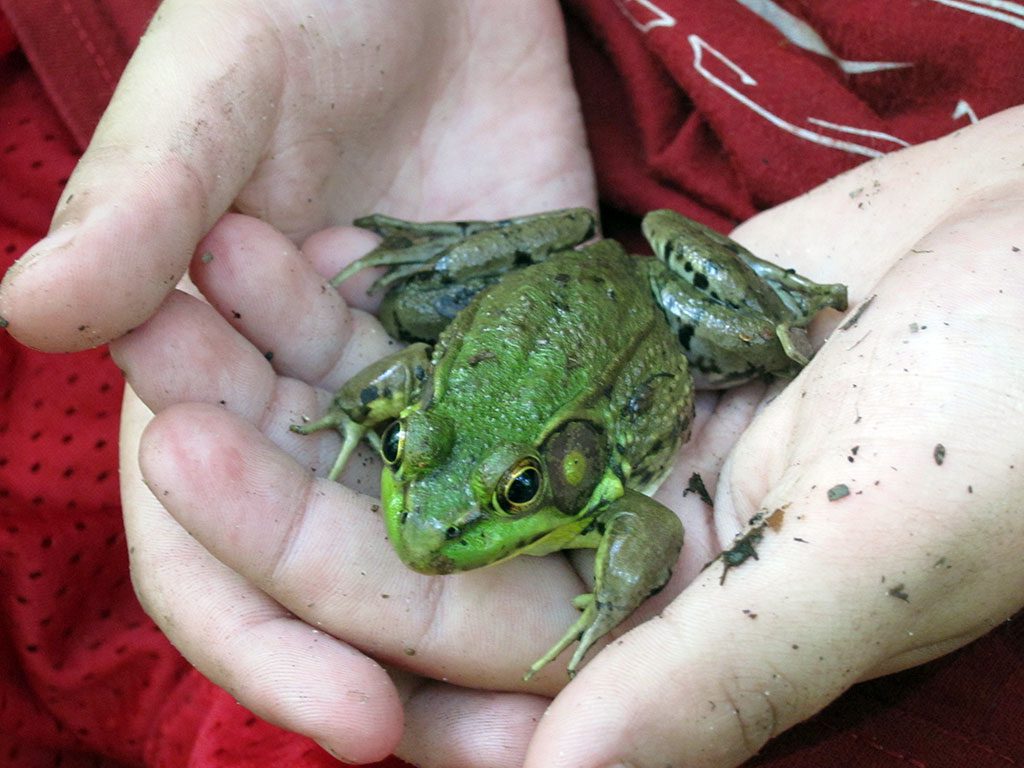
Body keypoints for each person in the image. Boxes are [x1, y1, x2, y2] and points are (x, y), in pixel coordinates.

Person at [2, 1, 1022, 766]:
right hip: (546, 224)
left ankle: (775, 288)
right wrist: (378, 419)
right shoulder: (435, 432)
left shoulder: (604, 487)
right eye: (411, 457)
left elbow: (651, 532)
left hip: (652, 316)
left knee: (766, 343)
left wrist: (607, 602)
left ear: (562, 476)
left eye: (516, 496)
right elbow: (406, 381)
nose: (426, 534)